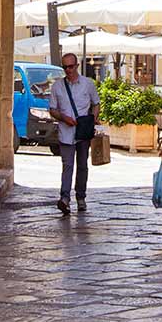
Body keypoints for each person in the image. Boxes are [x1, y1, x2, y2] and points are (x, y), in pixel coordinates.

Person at [48, 52, 100, 216]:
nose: (68, 70)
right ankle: (64, 199)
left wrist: (92, 120)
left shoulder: (88, 84)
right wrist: (63, 117)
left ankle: (81, 197)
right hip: (66, 132)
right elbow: (52, 109)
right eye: (65, 67)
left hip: (83, 133)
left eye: (70, 66)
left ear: (77, 66)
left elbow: (96, 103)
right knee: (67, 166)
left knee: (83, 166)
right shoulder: (57, 86)